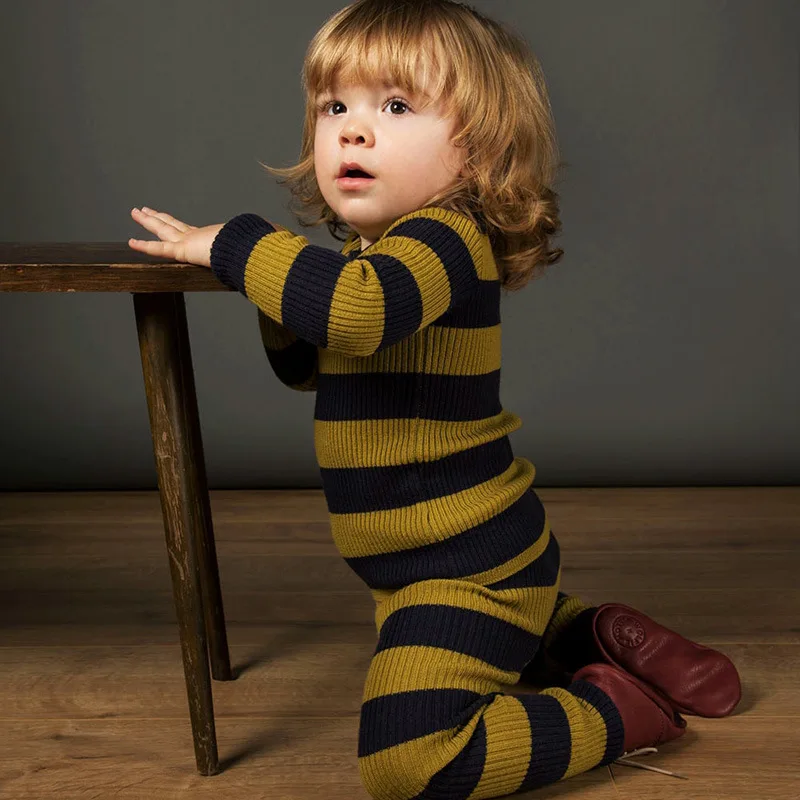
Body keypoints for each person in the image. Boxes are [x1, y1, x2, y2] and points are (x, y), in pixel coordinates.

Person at [128, 1, 741, 797]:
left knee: (408, 763)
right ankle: (587, 632)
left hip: (461, 570)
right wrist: (275, 299)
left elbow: (354, 316)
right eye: (334, 107)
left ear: (479, 148)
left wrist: (237, 245)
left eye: (395, 106)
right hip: (448, 563)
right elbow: (309, 366)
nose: (352, 131)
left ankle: (613, 712)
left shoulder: (443, 239)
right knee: (510, 627)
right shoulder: (377, 259)